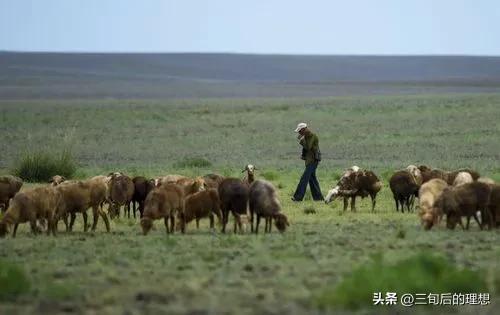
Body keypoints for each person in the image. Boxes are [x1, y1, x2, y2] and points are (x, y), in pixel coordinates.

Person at [292, 123, 323, 201]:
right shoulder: (306, 136)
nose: (299, 133)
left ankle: (297, 197)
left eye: (299, 131)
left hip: (313, 161)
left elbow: (308, 147)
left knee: (304, 179)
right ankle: (319, 198)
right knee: (312, 179)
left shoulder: (313, 136)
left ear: (303, 129)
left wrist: (301, 140)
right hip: (309, 161)